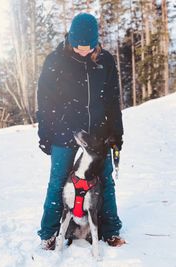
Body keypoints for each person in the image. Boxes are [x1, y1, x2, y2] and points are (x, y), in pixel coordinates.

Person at [36, 13, 125, 250]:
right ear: (71, 40)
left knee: (104, 179)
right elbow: (44, 101)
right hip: (63, 132)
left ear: (96, 42)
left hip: (96, 133)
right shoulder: (55, 61)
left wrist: (117, 133)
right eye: (78, 47)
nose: (83, 51)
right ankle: (48, 234)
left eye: (88, 47)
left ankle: (110, 230)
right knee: (58, 181)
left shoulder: (105, 61)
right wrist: (44, 134)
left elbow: (113, 100)